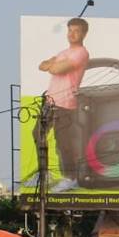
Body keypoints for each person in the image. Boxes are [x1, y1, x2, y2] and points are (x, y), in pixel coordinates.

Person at [34, 17, 90, 194]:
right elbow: (41, 65)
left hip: (65, 104)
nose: (72, 34)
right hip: (51, 102)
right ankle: (44, 174)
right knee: (38, 134)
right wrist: (52, 63)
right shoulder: (64, 52)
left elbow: (55, 69)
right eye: (70, 30)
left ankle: (70, 178)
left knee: (63, 143)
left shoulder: (81, 53)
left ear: (84, 33)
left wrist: (53, 63)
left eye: (76, 31)